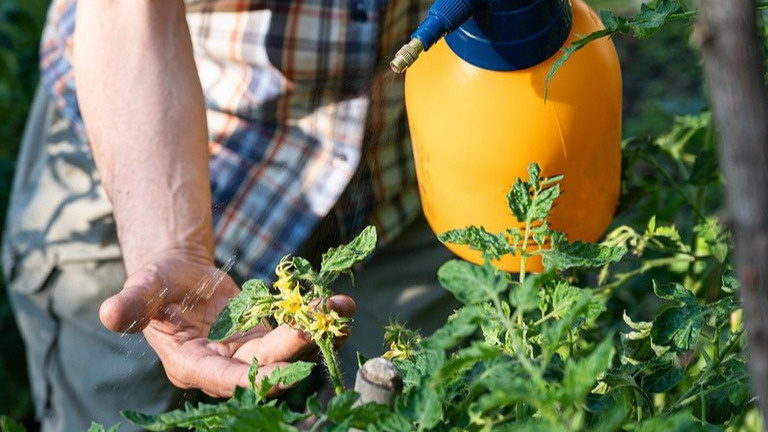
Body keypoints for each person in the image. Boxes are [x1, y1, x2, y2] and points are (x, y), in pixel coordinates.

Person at [2, 0, 460, 431]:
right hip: (148, 157)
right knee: (117, 410)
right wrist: (173, 247)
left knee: (397, 409)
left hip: (407, 176)